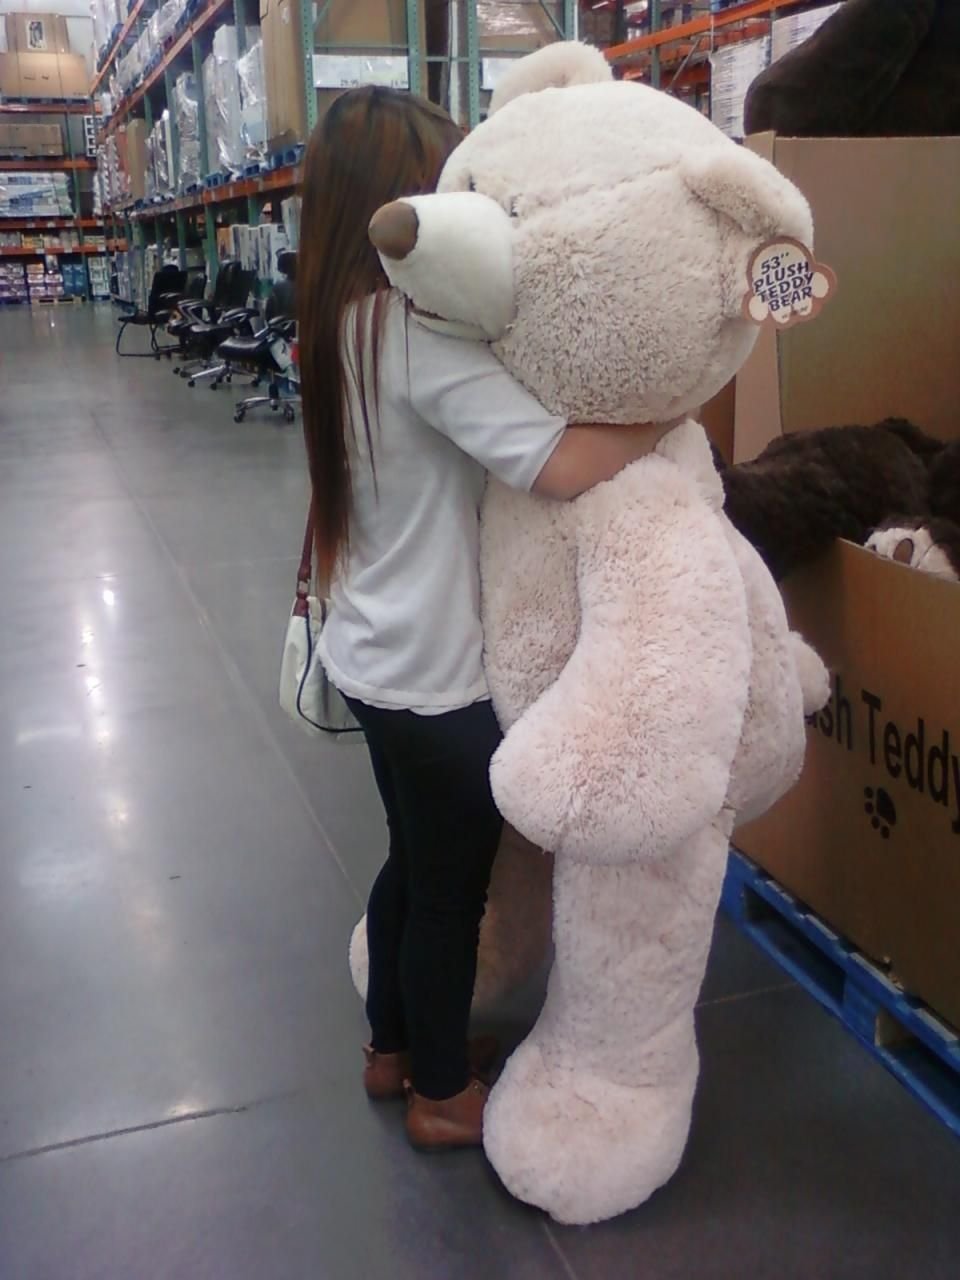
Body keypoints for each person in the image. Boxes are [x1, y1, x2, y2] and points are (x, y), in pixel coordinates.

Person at [298, 86, 664, 1152]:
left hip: (369, 656)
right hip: (438, 677)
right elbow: (564, 461)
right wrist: (673, 411)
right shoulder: (414, 339)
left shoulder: (334, 327)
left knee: (411, 860)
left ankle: (391, 1046)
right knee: (451, 892)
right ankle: (442, 1091)